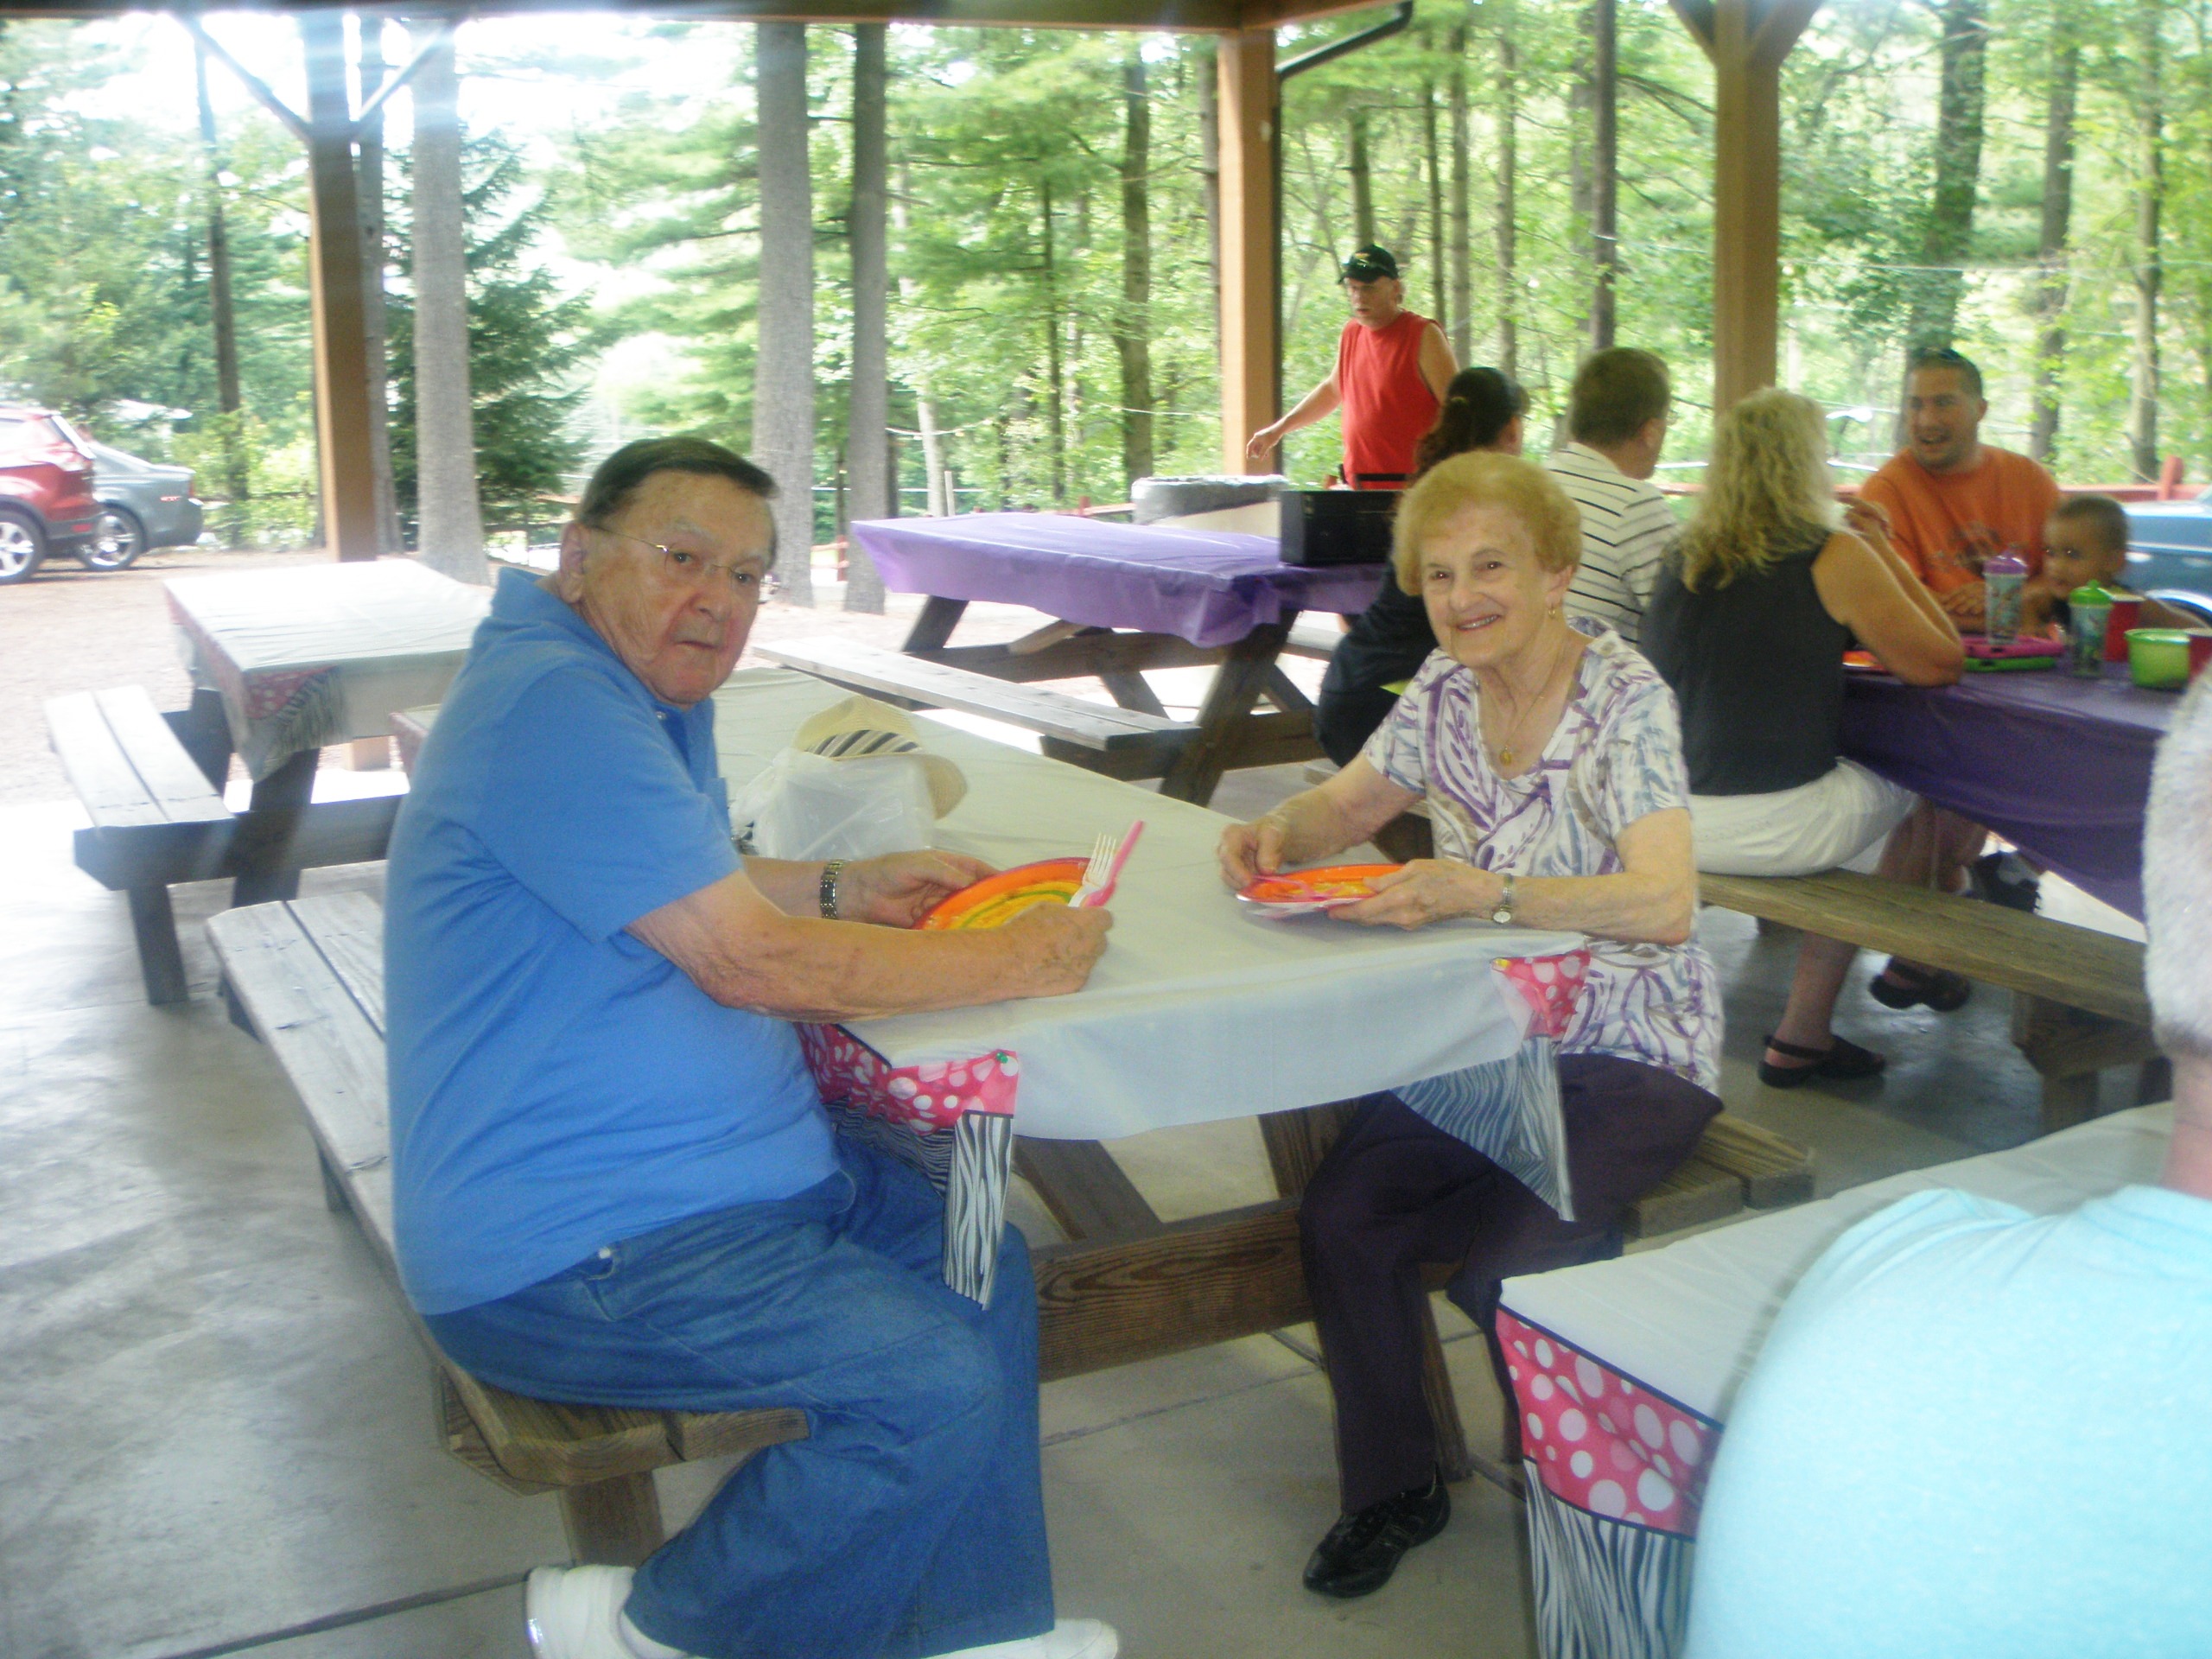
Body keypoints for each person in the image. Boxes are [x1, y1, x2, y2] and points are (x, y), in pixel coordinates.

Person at [384, 437, 1117, 1659]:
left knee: (975, 1233)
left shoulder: (620, 688)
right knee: (929, 1386)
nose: (716, 600)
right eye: (682, 557)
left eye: (744, 575)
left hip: (735, 1187)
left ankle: (973, 1629)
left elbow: (690, 879)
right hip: (579, 1249)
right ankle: (657, 1629)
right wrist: (1016, 960)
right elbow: (749, 964)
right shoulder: (553, 706)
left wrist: (844, 885)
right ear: (579, 555)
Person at [1218, 452, 1725, 1599]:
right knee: (1346, 1216)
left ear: (1557, 571)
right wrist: (1277, 833)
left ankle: (1602, 1510)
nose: (1463, 597)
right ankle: (1397, 1487)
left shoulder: (1625, 699)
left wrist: (1483, 895)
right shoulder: (1446, 689)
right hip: (1488, 1035)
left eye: (1491, 566)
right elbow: (1349, 802)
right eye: (1440, 575)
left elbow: (1665, 903)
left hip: (1632, 1049)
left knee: (1508, 1271)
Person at [1683, 674, 2212, 1658]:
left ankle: (1878, 976)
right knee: (1918, 788)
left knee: (1922, 779)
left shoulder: (1880, 1284)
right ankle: (1905, 956)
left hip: (1700, 797)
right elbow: (1924, 655)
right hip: (1749, 823)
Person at [1643, 391, 1965, 1086]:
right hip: (1768, 826)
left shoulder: (1679, 555)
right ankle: (1828, 1015)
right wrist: (1884, 551)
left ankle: (1906, 965)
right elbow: (1941, 661)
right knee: (1921, 787)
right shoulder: (1833, 554)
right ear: (1806, 465)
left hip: (1665, 817)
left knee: (1849, 802)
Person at [1313, 365, 1528, 765]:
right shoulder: (1484, 506)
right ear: (1513, 430)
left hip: (1347, 690)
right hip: (1393, 706)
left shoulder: (1432, 489)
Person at [1858, 346, 2062, 631]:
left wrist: (2005, 596)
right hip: (1935, 649)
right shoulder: (1885, 492)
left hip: (2034, 650)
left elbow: (2073, 576)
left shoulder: (2030, 479)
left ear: (1980, 410)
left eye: (1943, 403)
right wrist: (2013, 611)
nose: (1927, 420)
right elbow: (1898, 601)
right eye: (1915, 405)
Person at [1245, 244, 1456, 488]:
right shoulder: (1352, 333)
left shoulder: (1423, 335)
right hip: (1360, 487)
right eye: (1353, 288)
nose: (1359, 297)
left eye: (1369, 288)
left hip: (1414, 488)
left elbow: (1458, 411)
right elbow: (1332, 391)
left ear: (1395, 288)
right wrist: (1277, 431)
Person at [1544, 346, 1680, 643]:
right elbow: (1684, 625)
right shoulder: (1635, 504)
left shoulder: (1535, 482)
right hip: (1594, 670)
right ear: (1651, 431)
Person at [2025, 492, 2197, 636]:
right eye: (2050, 553)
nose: (2056, 565)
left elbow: (2195, 629)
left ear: (2113, 561)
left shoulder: (2129, 605)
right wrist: (2031, 626)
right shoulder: (2051, 598)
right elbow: (2023, 602)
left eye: (2072, 554)